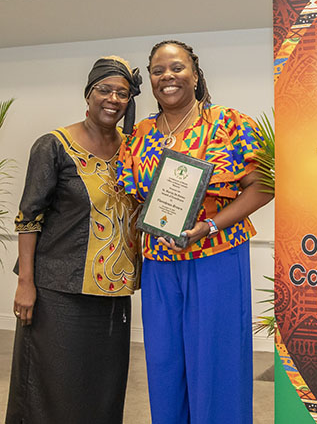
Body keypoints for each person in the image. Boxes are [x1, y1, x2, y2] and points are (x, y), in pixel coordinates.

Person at [117, 40, 273, 423]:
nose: (167, 77)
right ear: (150, 79)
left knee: (215, 363)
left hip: (215, 257)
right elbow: (129, 194)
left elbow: (265, 185)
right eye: (158, 70)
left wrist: (210, 225)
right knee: (165, 363)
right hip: (159, 263)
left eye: (176, 68)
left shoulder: (229, 124)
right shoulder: (139, 134)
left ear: (195, 73)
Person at [5, 56, 142, 424]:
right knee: (54, 387)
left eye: (122, 93)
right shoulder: (54, 145)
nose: (113, 99)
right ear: (88, 94)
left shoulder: (133, 149)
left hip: (112, 294)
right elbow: (29, 217)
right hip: (57, 292)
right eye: (104, 90)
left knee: (103, 387)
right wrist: (25, 284)